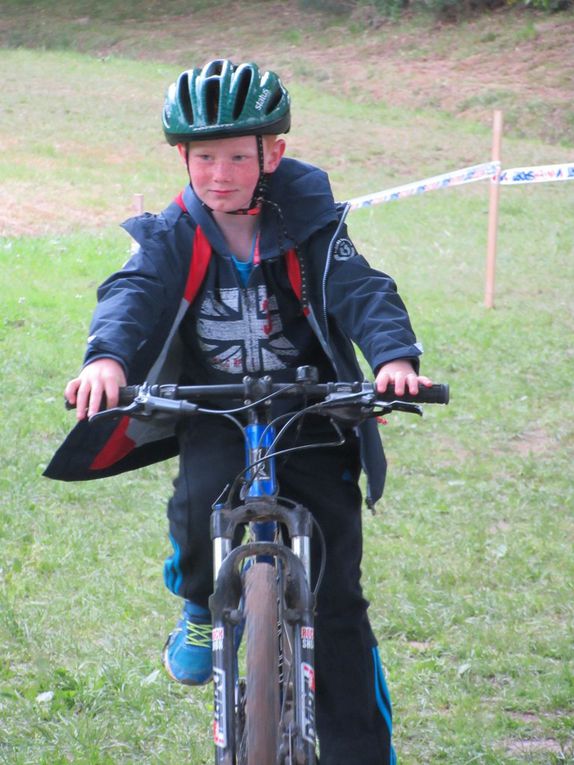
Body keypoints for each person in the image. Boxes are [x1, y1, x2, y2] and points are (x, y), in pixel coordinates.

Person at [45, 59, 431, 764]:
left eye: (234, 156)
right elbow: (132, 292)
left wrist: (394, 358)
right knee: (196, 512)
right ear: (181, 158)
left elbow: (362, 288)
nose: (217, 173)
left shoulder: (313, 222)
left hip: (310, 412)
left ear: (272, 154)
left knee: (337, 598)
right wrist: (106, 359)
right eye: (201, 157)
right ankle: (199, 609)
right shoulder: (173, 231)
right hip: (216, 409)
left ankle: (362, 751)